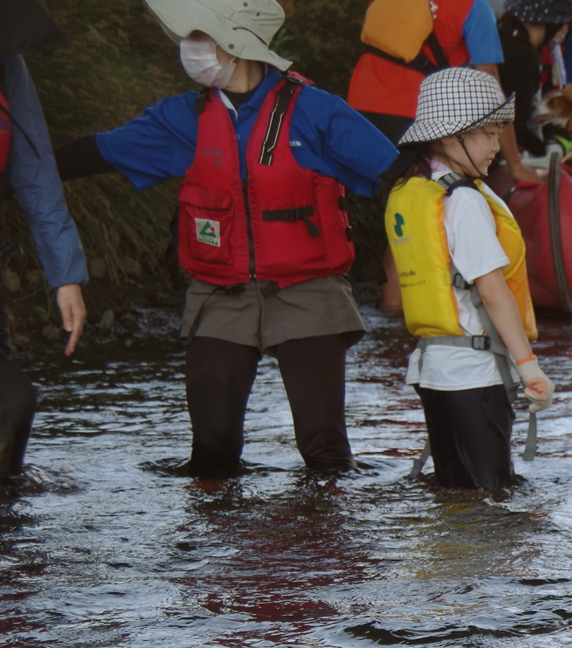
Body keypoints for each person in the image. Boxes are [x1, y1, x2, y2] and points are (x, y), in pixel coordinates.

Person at [53, 0, 399, 478]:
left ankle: (323, 547)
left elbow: (398, 174)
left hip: (310, 288)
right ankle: (215, 548)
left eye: (201, 39)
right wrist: (20, 175)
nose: (189, 49)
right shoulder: (182, 118)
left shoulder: (317, 111)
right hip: (220, 293)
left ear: (238, 45)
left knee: (323, 449)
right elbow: (100, 152)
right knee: (211, 451)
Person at [386, 68, 553, 490]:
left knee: (455, 494)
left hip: (432, 370)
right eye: (488, 134)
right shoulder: (463, 200)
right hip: (476, 374)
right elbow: (492, 289)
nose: (497, 147)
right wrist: (529, 367)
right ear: (449, 137)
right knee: (489, 501)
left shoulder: (415, 187)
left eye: (499, 134)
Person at [348, 0, 505, 311]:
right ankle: (404, 309)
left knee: (400, 209)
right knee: (424, 212)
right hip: (411, 115)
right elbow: (492, 96)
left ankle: (394, 311)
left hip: (361, 112)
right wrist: (512, 160)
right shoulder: (474, 8)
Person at [0, 0, 87, 478]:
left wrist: (65, 276)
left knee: (13, 404)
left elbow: (36, 173)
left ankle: (10, 532)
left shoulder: (7, 62)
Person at [496, 0, 572, 183]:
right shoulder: (523, 56)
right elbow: (514, 121)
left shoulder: (501, 35)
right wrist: (517, 166)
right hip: (492, 147)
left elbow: (571, 85)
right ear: (552, 24)